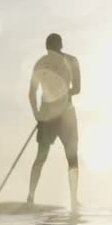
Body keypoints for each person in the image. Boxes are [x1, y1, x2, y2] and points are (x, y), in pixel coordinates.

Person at [28, 33, 80, 208]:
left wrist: (37, 113)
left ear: (47, 47)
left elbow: (31, 93)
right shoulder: (72, 61)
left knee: (41, 157)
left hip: (50, 115)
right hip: (65, 115)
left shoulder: (40, 62)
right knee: (71, 158)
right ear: (61, 45)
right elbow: (78, 89)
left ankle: (30, 197)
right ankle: (73, 200)